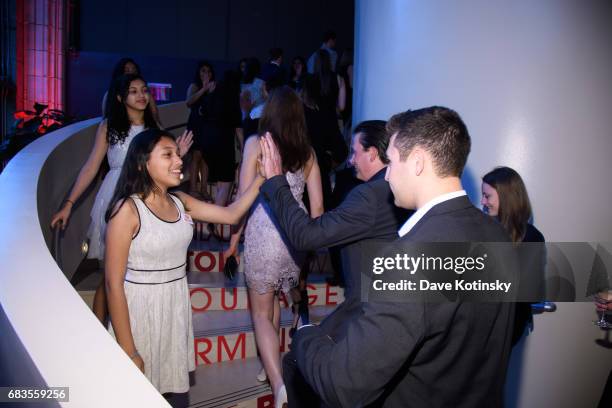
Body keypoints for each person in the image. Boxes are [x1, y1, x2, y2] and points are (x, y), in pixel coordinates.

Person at [260, 106, 514, 407]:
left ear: (418, 162)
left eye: (391, 162)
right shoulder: (499, 236)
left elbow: (343, 384)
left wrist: (304, 335)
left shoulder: (408, 259)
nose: (388, 176)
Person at [257, 120, 411, 407]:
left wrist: (276, 181)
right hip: (386, 306)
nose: (351, 160)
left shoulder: (370, 197)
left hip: (366, 310)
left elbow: (307, 235)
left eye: (355, 152)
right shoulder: (402, 194)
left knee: (299, 363)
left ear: (374, 154)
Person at [104, 128, 264, 402]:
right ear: (143, 162)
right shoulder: (127, 210)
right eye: (168, 155)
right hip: (139, 311)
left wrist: (262, 176)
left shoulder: (180, 201)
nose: (179, 161)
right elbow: (112, 284)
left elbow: (231, 213)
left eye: (178, 154)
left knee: (166, 393)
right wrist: (130, 351)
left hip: (173, 307)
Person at [51, 74, 193, 323]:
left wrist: (177, 153)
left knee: (135, 273)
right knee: (110, 275)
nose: (141, 95)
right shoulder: (109, 127)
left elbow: (161, 167)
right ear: (120, 97)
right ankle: (98, 334)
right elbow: (90, 167)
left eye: (144, 90)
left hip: (147, 200)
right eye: (133, 91)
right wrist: (68, 204)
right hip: (115, 197)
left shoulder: (154, 129)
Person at [226, 86, 324, 408]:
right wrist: (308, 248)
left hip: (264, 233)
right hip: (293, 238)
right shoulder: (308, 153)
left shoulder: (257, 144)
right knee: (275, 301)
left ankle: (279, 384)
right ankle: (267, 365)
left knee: (260, 314)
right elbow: (318, 211)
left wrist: (233, 240)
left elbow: (242, 198)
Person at [482, 166, 546, 345]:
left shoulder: (532, 238)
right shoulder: (482, 231)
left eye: (487, 196)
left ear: (506, 197)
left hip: (506, 328)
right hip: (477, 325)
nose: (482, 201)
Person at [186, 61, 236, 213]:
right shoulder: (194, 86)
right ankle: (193, 189)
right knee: (196, 156)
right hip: (196, 123)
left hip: (208, 125)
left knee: (206, 157)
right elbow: (189, 102)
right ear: (198, 73)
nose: (205, 74)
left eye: (208, 71)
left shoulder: (216, 86)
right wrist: (204, 89)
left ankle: (203, 189)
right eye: (202, 71)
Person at [101, 58, 161, 125]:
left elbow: (154, 115)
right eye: (127, 71)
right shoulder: (110, 94)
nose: (131, 73)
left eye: (134, 70)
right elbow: (106, 117)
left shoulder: (146, 94)